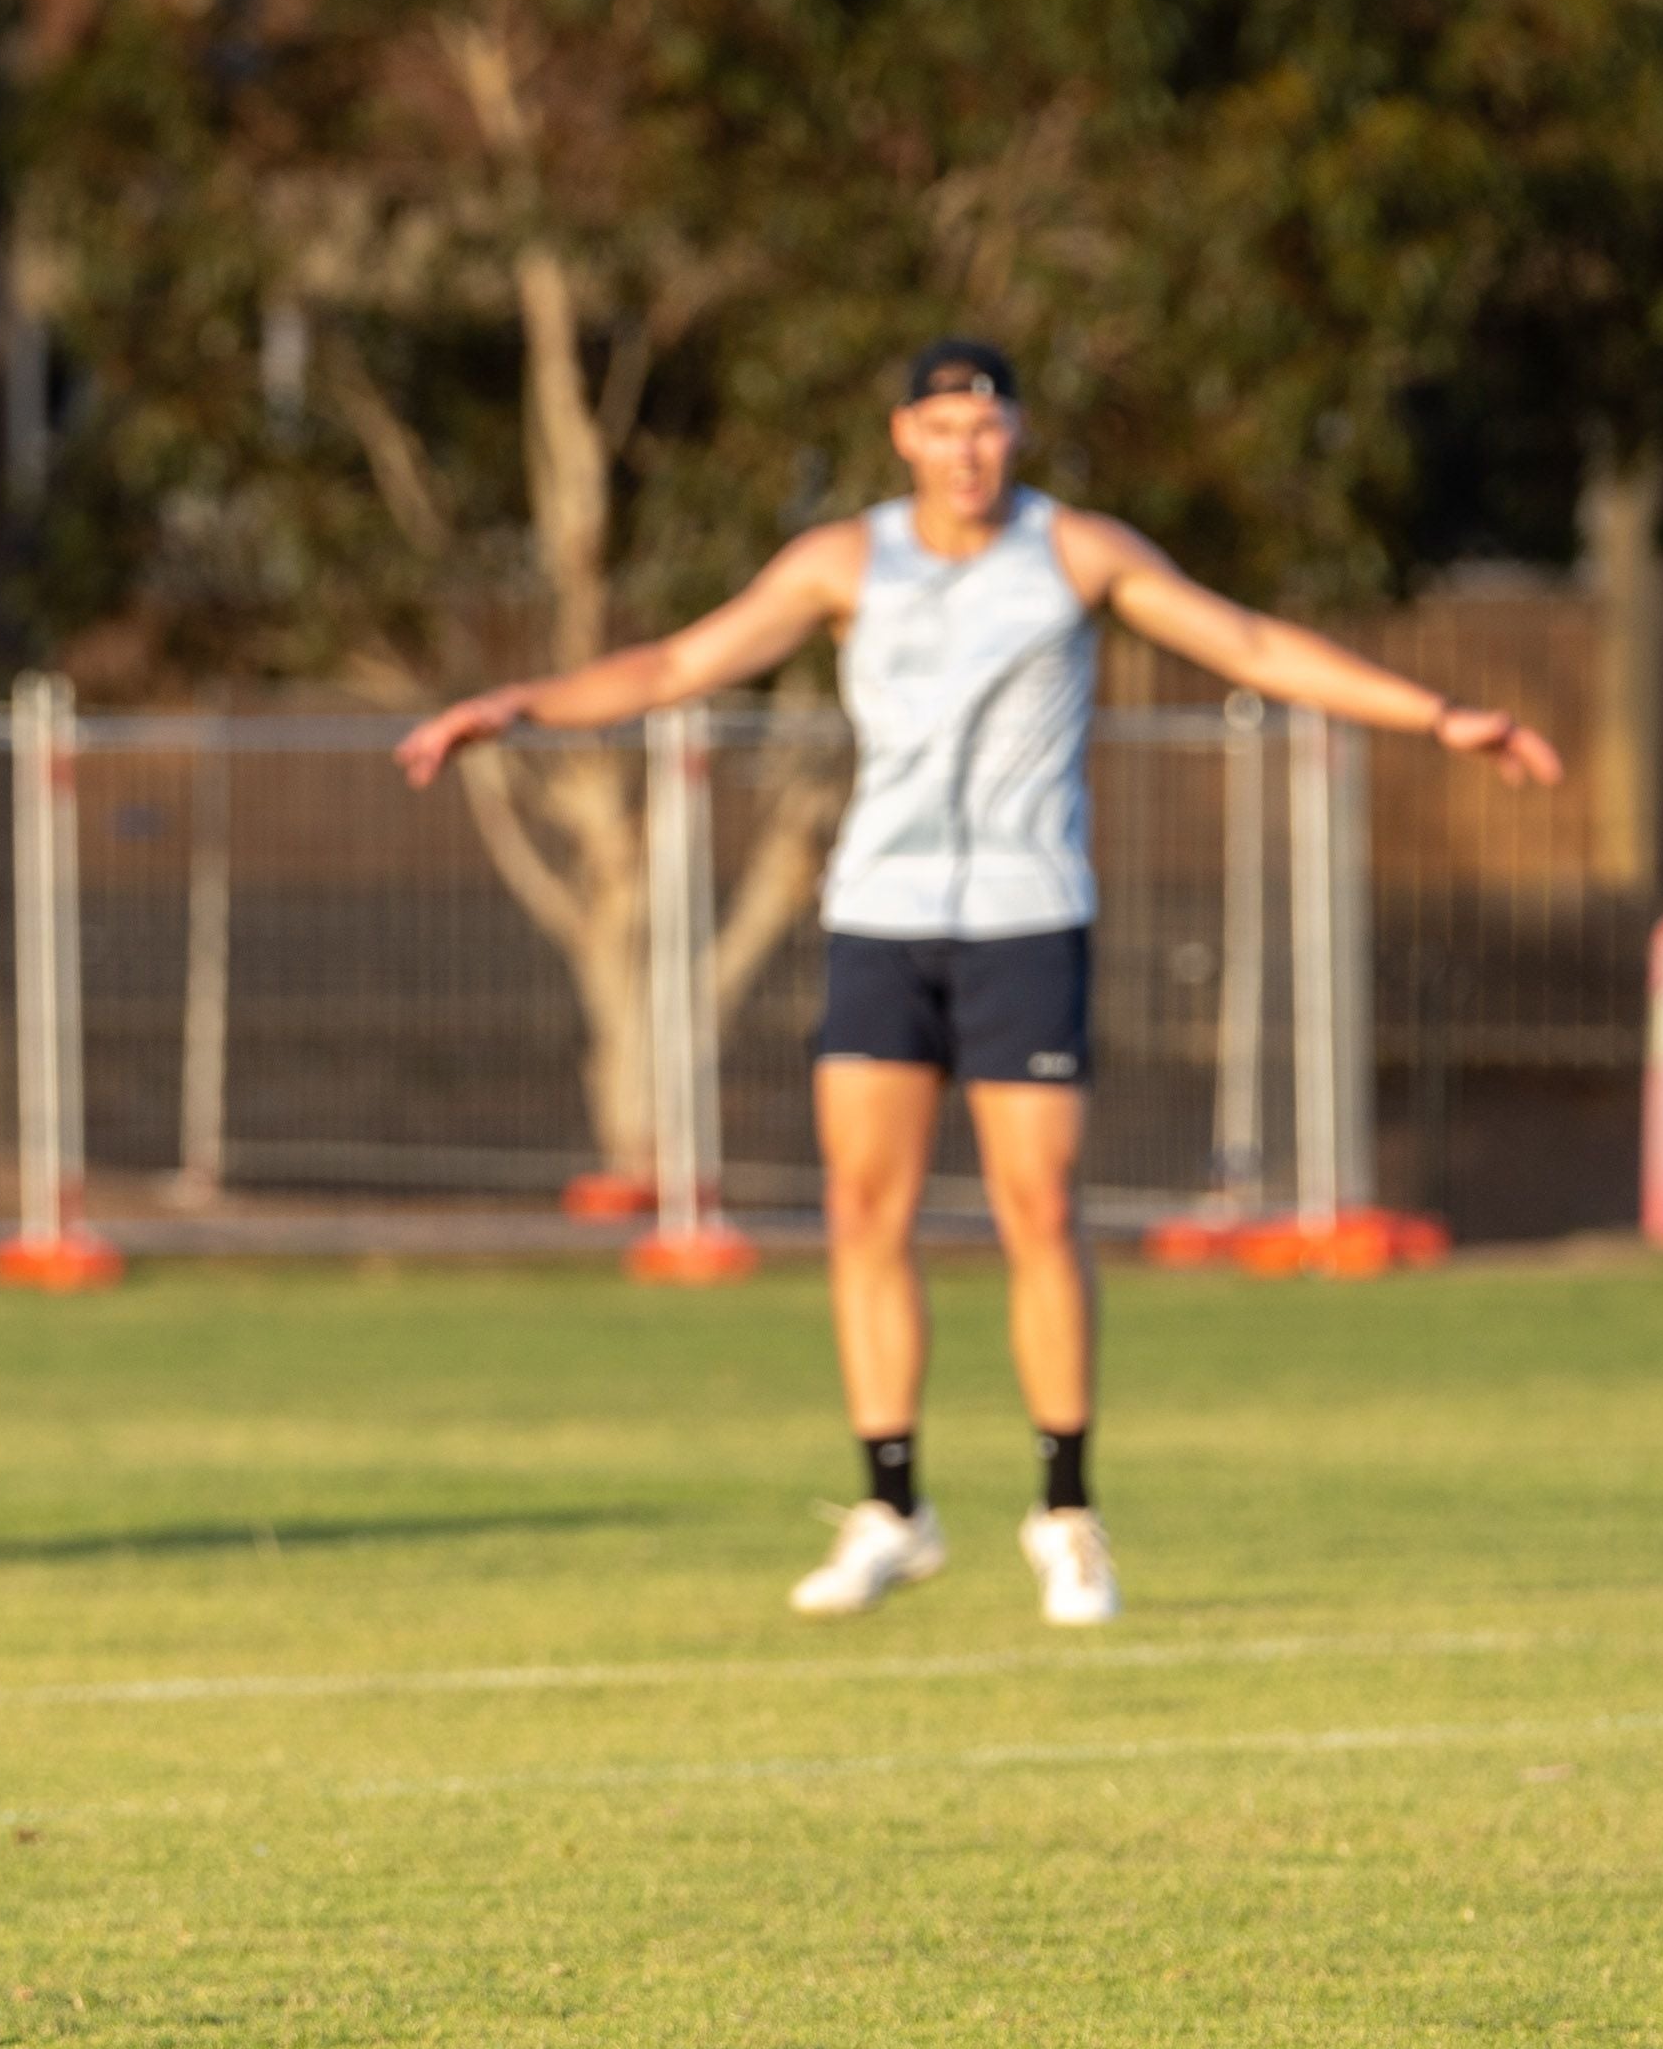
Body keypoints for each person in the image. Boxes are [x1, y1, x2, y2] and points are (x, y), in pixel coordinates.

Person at [397, 339, 1557, 1627]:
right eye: (944, 426)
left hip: (1025, 921)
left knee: (1036, 1206)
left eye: (989, 426)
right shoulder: (843, 561)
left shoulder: (1075, 553)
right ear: (904, 437)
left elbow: (1253, 645)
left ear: (1017, 436)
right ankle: (893, 1505)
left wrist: (1442, 715)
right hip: (881, 921)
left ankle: (1066, 1513)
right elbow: (674, 666)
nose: (969, 450)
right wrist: (513, 705)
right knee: (865, 1209)